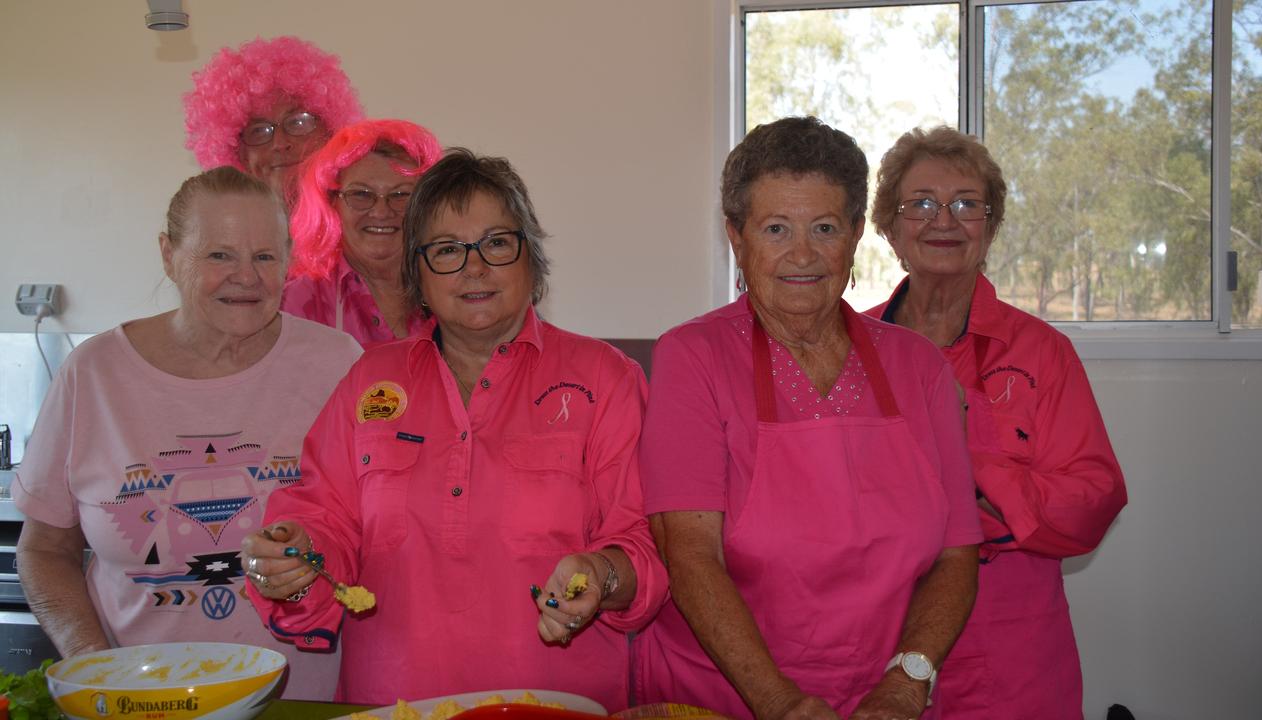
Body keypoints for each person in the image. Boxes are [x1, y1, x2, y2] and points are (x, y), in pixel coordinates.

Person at [242, 149, 665, 710]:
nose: (474, 268)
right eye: (446, 250)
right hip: (393, 705)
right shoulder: (369, 380)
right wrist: (293, 562)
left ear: (531, 259)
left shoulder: (605, 378)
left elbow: (646, 546)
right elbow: (323, 523)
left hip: (558, 705)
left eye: (495, 243)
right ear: (416, 273)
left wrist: (601, 574)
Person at [633, 116, 982, 720]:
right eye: (775, 229)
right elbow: (689, 554)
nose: (802, 253)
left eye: (824, 228)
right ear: (735, 238)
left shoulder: (917, 366)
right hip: (723, 699)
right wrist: (780, 702)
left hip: (885, 700)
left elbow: (957, 555)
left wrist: (907, 679)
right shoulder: (693, 357)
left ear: (853, 237)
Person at [12, 167, 362, 700]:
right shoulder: (94, 373)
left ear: (288, 260)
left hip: (304, 703)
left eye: (265, 256)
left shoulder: (338, 365)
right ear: (168, 255)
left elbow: (383, 528)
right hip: (138, 698)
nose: (246, 276)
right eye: (218, 254)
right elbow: (43, 550)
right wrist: (93, 665)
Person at [866, 125, 1127, 719]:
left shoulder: (1041, 352)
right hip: (873, 640)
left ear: (990, 228)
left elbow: (1092, 500)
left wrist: (968, 461)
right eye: (922, 204)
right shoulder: (849, 347)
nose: (945, 220)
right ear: (889, 228)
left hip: (1009, 649)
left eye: (966, 204)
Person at [282, 119, 444, 347]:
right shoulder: (295, 304)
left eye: (400, 195)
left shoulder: (450, 289)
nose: (380, 211)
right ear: (332, 202)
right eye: (361, 194)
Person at [183, 36, 364, 204]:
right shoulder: (224, 232)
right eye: (259, 131)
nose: (280, 143)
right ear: (239, 153)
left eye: (298, 122)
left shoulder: (367, 219)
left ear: (330, 132)